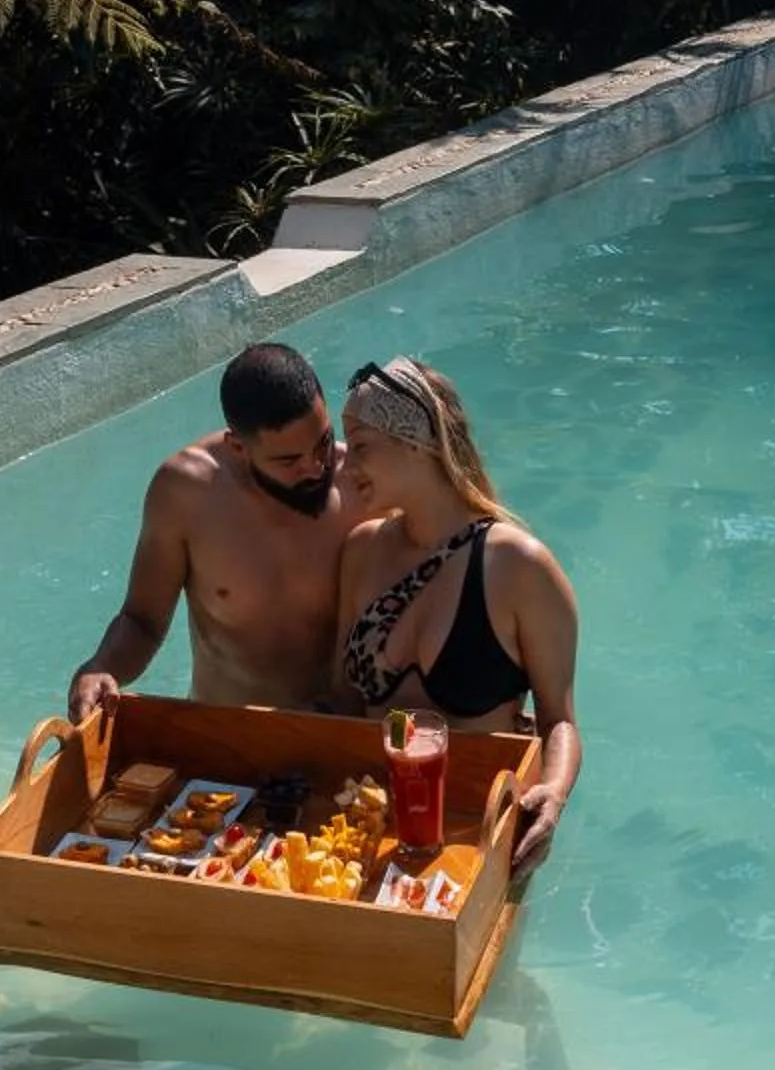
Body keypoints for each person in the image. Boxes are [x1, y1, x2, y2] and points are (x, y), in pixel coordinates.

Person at [332, 355, 580, 879]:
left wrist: (552, 797)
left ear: (417, 444)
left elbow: (558, 720)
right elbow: (341, 703)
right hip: (369, 831)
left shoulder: (519, 567)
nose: (346, 467)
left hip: (481, 837)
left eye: (361, 448)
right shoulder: (361, 551)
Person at [67, 342, 349, 719]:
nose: (316, 468)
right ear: (237, 447)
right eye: (289, 460)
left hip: (341, 734)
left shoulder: (362, 484)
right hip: (223, 738)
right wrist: (102, 667)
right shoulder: (187, 493)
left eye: (324, 441)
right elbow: (142, 621)